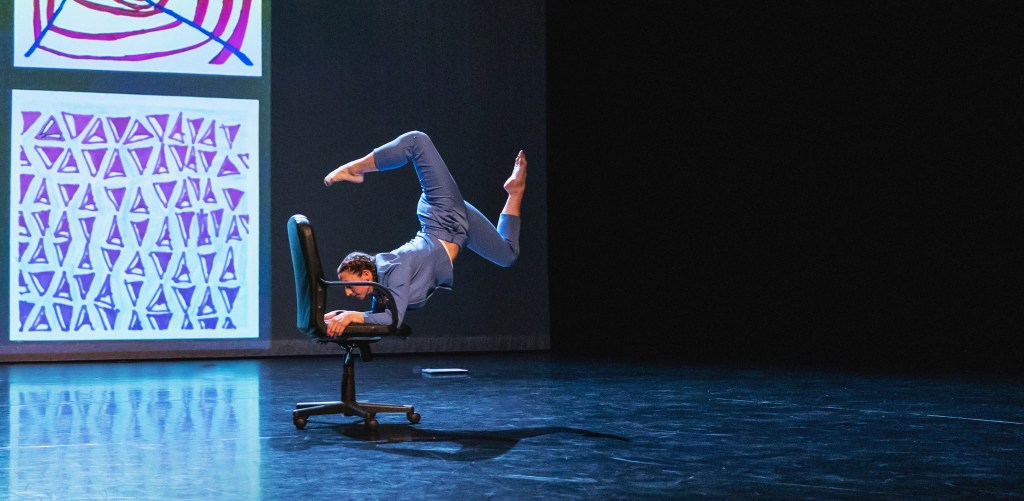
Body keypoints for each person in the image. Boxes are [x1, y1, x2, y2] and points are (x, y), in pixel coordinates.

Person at [321, 131, 526, 336]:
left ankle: (353, 169)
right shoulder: (381, 292)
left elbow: (393, 320)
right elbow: (378, 320)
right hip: (456, 228)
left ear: (366, 275)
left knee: (416, 142)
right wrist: (340, 315)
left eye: (349, 285)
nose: (347, 292)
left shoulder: (394, 269)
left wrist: (352, 316)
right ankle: (515, 190)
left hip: (442, 215)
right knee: (507, 255)